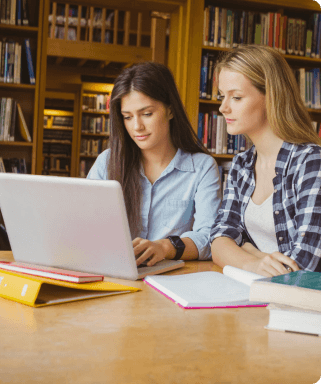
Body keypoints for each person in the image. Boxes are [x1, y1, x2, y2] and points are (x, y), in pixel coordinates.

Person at [87, 62, 222, 266]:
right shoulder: (107, 162)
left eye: (147, 114)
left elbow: (209, 238)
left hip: (173, 280)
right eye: (127, 117)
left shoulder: (202, 167)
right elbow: (85, 224)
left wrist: (164, 247)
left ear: (170, 110)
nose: (136, 126)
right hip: (114, 273)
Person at [210, 44, 321, 276]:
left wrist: (248, 249)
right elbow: (219, 240)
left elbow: (305, 264)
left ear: (271, 96)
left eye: (236, 97)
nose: (223, 107)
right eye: (222, 96)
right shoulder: (241, 164)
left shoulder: (310, 162)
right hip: (253, 288)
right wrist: (254, 263)